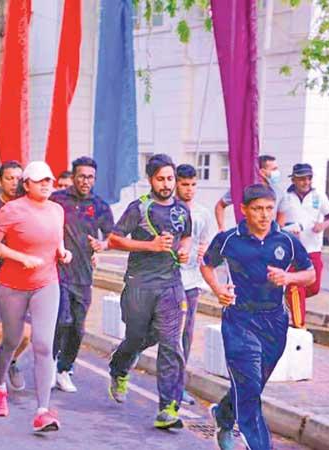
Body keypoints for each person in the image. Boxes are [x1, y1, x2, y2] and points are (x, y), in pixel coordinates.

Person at [201, 184, 315, 450]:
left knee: (253, 385)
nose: (264, 215)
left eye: (268, 209)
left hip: (275, 322)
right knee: (249, 387)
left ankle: (224, 414)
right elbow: (206, 265)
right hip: (239, 319)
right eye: (257, 209)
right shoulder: (229, 239)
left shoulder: (286, 241)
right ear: (243, 211)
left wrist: (289, 277)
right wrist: (218, 289)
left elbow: (309, 274)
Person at [107, 153, 192, 430]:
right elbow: (114, 239)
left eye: (170, 179)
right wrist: (150, 246)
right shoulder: (139, 208)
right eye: (161, 179)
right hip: (139, 284)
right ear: (150, 180)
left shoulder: (182, 210)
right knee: (134, 338)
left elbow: (187, 236)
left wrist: (185, 251)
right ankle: (120, 367)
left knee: (170, 344)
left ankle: (167, 408)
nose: (167, 184)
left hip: (170, 285)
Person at [0, 161, 72, 432]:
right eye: (39, 181)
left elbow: (57, 240)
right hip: (12, 285)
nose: (46, 184)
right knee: (11, 340)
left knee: (43, 345)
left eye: (49, 180)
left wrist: (62, 252)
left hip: (46, 283)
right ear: (26, 184)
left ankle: (42, 411)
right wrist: (20, 257)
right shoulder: (11, 210)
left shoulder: (57, 210)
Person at [50, 156, 115, 392]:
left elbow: (112, 236)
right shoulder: (57, 200)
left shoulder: (100, 206)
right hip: (58, 273)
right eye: (81, 176)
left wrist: (103, 245)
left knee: (78, 327)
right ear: (73, 176)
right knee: (61, 320)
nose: (85, 181)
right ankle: (50, 364)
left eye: (90, 177)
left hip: (84, 276)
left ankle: (64, 369)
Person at [0, 160, 31, 395]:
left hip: (23, 276)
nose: (15, 183)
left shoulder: (29, 206)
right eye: (10, 178)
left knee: (26, 334)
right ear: (0, 181)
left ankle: (9, 360)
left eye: (19, 178)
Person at [174, 164, 216, 406]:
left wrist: (205, 250)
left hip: (192, 280)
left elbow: (206, 243)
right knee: (170, 334)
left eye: (192, 185)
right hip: (171, 278)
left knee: (187, 333)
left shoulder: (202, 213)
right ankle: (170, 384)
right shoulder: (169, 210)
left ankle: (178, 386)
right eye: (184, 184)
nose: (189, 189)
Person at [279, 163, 329, 328]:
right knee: (296, 286)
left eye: (309, 178)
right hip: (294, 252)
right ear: (294, 179)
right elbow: (278, 226)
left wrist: (322, 226)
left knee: (313, 287)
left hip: (313, 249)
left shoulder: (319, 196)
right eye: (302, 178)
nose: (306, 182)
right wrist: (288, 231)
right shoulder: (286, 198)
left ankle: (289, 297)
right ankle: (299, 324)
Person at [215, 155, 285, 231]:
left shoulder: (278, 191)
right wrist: (221, 227)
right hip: (246, 235)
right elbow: (220, 205)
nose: (277, 172)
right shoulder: (243, 188)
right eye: (274, 169)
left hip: (268, 236)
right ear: (261, 172)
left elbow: (281, 218)